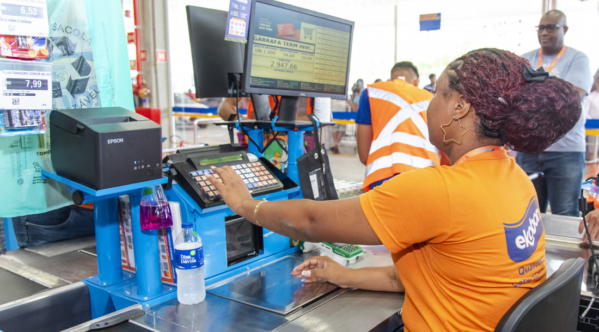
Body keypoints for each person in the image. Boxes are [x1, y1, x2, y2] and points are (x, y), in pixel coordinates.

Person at [207, 48, 581, 331]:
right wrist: (342, 275)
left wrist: (246, 204)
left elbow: (309, 220)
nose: (428, 105)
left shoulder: (440, 190)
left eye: (437, 94)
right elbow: (422, 278)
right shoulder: (512, 176)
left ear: (459, 108)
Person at [517, 10, 593, 216]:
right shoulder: (525, 58)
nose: (544, 32)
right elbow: (515, 97)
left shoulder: (578, 59)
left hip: (565, 151)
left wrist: (531, 94)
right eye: (541, 27)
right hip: (528, 149)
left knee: (566, 212)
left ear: (565, 29)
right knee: (526, 212)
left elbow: (572, 100)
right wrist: (554, 92)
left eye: (551, 27)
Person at [355, 61, 439, 191]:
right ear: (416, 82)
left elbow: (363, 154)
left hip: (384, 178)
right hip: (427, 178)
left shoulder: (371, 93)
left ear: (391, 79)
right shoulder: (432, 99)